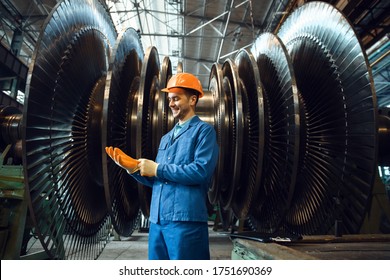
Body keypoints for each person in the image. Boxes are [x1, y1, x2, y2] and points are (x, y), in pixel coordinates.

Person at [105, 72, 219, 260]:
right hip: (158, 220)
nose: (171, 104)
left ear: (192, 99)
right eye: (169, 99)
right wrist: (134, 169)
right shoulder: (166, 138)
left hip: (185, 221)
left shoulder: (204, 132)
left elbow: (201, 171)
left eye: (176, 99)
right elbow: (160, 181)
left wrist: (157, 168)